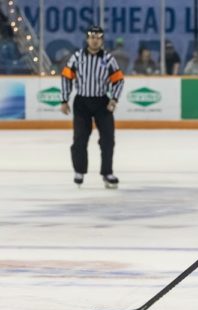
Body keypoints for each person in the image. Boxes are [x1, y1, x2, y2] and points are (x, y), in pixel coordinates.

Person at [60, 25, 124, 189]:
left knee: (108, 139)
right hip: (82, 102)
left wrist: (114, 99)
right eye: (92, 37)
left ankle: (107, 173)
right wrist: (64, 99)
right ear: (87, 39)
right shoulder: (77, 57)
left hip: (102, 102)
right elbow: (66, 77)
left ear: (102, 40)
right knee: (80, 138)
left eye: (98, 37)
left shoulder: (108, 59)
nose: (94, 40)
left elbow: (118, 80)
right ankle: (79, 171)